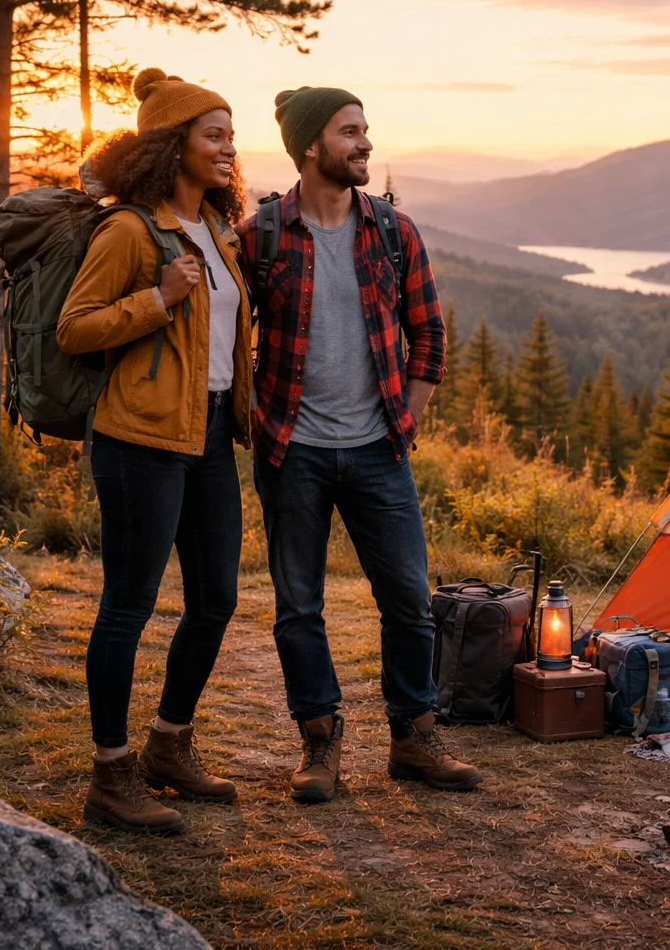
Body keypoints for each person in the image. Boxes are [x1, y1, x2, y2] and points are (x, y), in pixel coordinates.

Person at [236, 86, 482, 804]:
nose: (365, 142)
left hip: (379, 449)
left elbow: (429, 334)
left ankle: (413, 739)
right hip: (292, 451)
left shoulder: (393, 232)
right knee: (298, 607)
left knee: (408, 600)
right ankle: (319, 743)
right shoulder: (262, 235)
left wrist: (406, 418)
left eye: (365, 129)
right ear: (312, 145)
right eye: (350, 131)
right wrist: (253, 416)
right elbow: (226, 334)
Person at [57, 67, 254, 834]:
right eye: (214, 136)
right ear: (173, 145)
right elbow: (76, 328)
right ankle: (111, 776)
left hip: (208, 435)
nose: (229, 148)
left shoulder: (215, 231)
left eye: (232, 136)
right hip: (138, 438)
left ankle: (169, 746)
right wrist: (157, 298)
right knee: (129, 605)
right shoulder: (129, 230)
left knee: (215, 600)